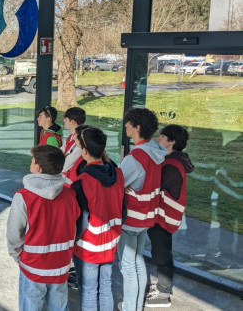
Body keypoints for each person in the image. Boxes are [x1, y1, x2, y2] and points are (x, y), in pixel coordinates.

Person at [6, 145, 80, 311]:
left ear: (37, 168)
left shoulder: (23, 196)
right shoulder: (70, 195)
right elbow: (74, 228)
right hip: (61, 266)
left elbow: (13, 234)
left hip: (33, 266)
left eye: (32, 160)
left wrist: (18, 256)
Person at [117, 108, 168, 311]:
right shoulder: (156, 151)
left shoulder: (135, 157)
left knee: (127, 267)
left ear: (137, 127)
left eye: (128, 122)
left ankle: (131, 307)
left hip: (131, 218)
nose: (125, 126)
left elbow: (117, 183)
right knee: (138, 263)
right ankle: (135, 306)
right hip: (147, 216)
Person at [72, 127, 125, 311]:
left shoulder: (82, 182)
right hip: (111, 243)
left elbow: (81, 221)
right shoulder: (118, 174)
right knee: (105, 287)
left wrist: (73, 241)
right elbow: (122, 209)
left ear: (84, 151)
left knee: (88, 291)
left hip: (88, 248)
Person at [145, 125, 193, 308]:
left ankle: (164, 293)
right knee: (162, 250)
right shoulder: (175, 160)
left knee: (161, 252)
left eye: (163, 137)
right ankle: (162, 286)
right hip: (164, 214)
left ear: (172, 142)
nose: (159, 139)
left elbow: (155, 184)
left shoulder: (172, 165)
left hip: (163, 216)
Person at [62, 107, 87, 172]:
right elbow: (60, 151)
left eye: (66, 119)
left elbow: (64, 167)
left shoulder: (80, 142)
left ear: (73, 122)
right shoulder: (71, 137)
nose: (63, 121)